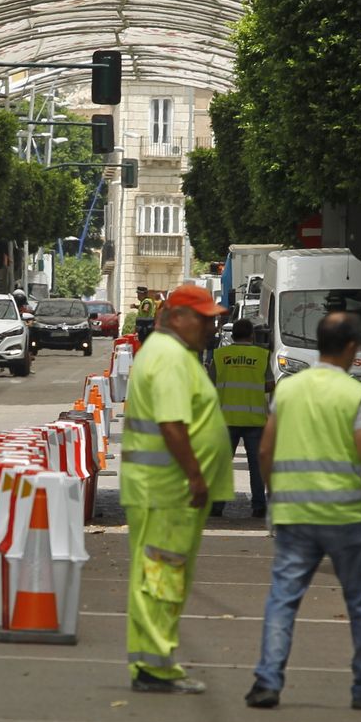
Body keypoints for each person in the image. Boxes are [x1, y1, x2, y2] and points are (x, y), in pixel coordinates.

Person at [245, 312, 361, 712]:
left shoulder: (289, 389)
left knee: (283, 598)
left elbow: (265, 449)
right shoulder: (357, 395)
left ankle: (267, 681)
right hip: (344, 515)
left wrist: (273, 493)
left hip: (294, 512)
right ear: (351, 347)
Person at [120, 284, 234, 695]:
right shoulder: (169, 357)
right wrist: (195, 477)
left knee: (160, 575)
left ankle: (154, 663)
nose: (211, 324)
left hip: (164, 490)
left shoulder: (173, 354)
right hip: (167, 490)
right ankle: (155, 667)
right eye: (204, 317)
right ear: (178, 317)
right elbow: (172, 424)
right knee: (160, 577)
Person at [208, 318, 274, 518]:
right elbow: (270, 385)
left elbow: (210, 384)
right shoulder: (261, 355)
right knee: (256, 466)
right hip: (254, 420)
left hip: (226, 419)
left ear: (232, 335)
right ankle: (258, 506)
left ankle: (216, 507)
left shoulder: (220, 356)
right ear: (252, 335)